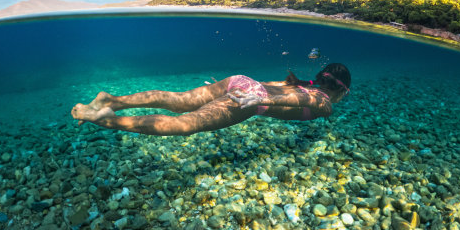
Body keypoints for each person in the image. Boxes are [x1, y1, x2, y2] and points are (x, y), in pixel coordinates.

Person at [71, 63, 351, 137]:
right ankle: (106, 118)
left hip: (239, 82)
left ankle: (111, 100)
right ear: (342, 91)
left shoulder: (302, 83)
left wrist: (252, 90)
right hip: (249, 97)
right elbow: (306, 102)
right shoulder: (322, 100)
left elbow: (286, 90)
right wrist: (260, 98)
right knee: (182, 125)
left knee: (175, 99)